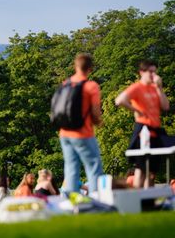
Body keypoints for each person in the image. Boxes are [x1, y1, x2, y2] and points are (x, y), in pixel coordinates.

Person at [115, 60, 170, 188]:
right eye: (150, 72)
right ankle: (137, 200)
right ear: (141, 72)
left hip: (156, 130)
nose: (153, 75)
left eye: (155, 72)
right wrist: (137, 110)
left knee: (152, 172)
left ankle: (148, 201)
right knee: (141, 168)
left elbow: (165, 106)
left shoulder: (155, 88)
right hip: (143, 130)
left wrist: (159, 87)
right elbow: (120, 100)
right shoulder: (137, 87)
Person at [59, 53, 103, 195]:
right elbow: (96, 114)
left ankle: (73, 203)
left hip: (64, 133)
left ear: (75, 66)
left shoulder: (65, 84)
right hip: (83, 133)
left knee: (71, 169)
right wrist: (101, 123)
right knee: (93, 166)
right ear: (90, 69)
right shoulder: (91, 86)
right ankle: (96, 200)